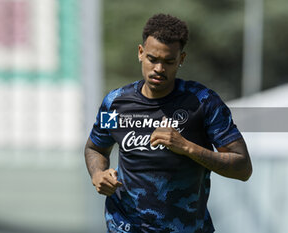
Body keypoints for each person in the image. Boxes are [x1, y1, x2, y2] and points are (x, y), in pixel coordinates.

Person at [84, 13, 252, 233]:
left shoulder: (203, 102)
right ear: (140, 53)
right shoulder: (115, 103)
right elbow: (95, 147)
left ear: (181, 59)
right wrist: (98, 174)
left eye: (168, 61)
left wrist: (186, 147)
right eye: (153, 59)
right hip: (125, 226)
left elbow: (243, 168)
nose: (159, 69)